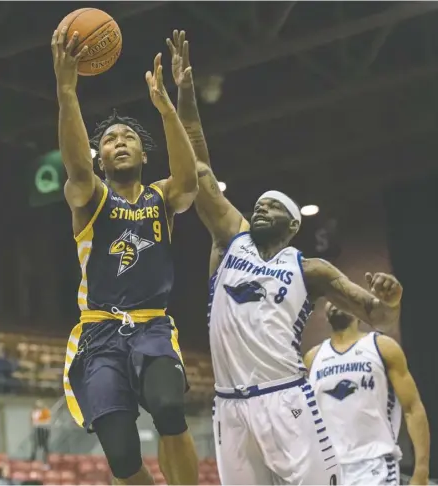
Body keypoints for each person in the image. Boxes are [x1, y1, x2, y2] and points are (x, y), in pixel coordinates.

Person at [168, 29, 403, 485]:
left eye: (273, 206)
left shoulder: (310, 268)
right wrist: (184, 96)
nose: (260, 207)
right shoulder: (229, 240)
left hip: (286, 399)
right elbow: (199, 168)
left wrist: (391, 300)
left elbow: (378, 316)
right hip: (229, 404)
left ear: (293, 224)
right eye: (259, 203)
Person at [51, 26, 199, 485]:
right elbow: (75, 164)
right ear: (101, 160)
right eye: (110, 139)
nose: (118, 141)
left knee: (170, 407)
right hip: (100, 335)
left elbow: (190, 181)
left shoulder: (162, 197)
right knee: (121, 454)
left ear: (142, 153)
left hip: (151, 325)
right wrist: (67, 90)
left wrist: (167, 109)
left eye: (128, 137)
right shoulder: (90, 199)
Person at [304, 303, 430, 485]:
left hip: (374, 465)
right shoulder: (312, 358)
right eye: (331, 298)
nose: (336, 302)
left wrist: (422, 471)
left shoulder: (381, 346)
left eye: (343, 298)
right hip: (328, 470)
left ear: (359, 312)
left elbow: (413, 409)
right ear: (324, 313)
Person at [30, 400, 52, 464]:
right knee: (36, 445)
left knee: (45, 445)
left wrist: (38, 423)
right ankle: (33, 459)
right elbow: (32, 422)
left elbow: (47, 421)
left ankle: (46, 460)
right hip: (37, 430)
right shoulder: (34, 412)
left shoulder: (45, 411)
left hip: (44, 430)